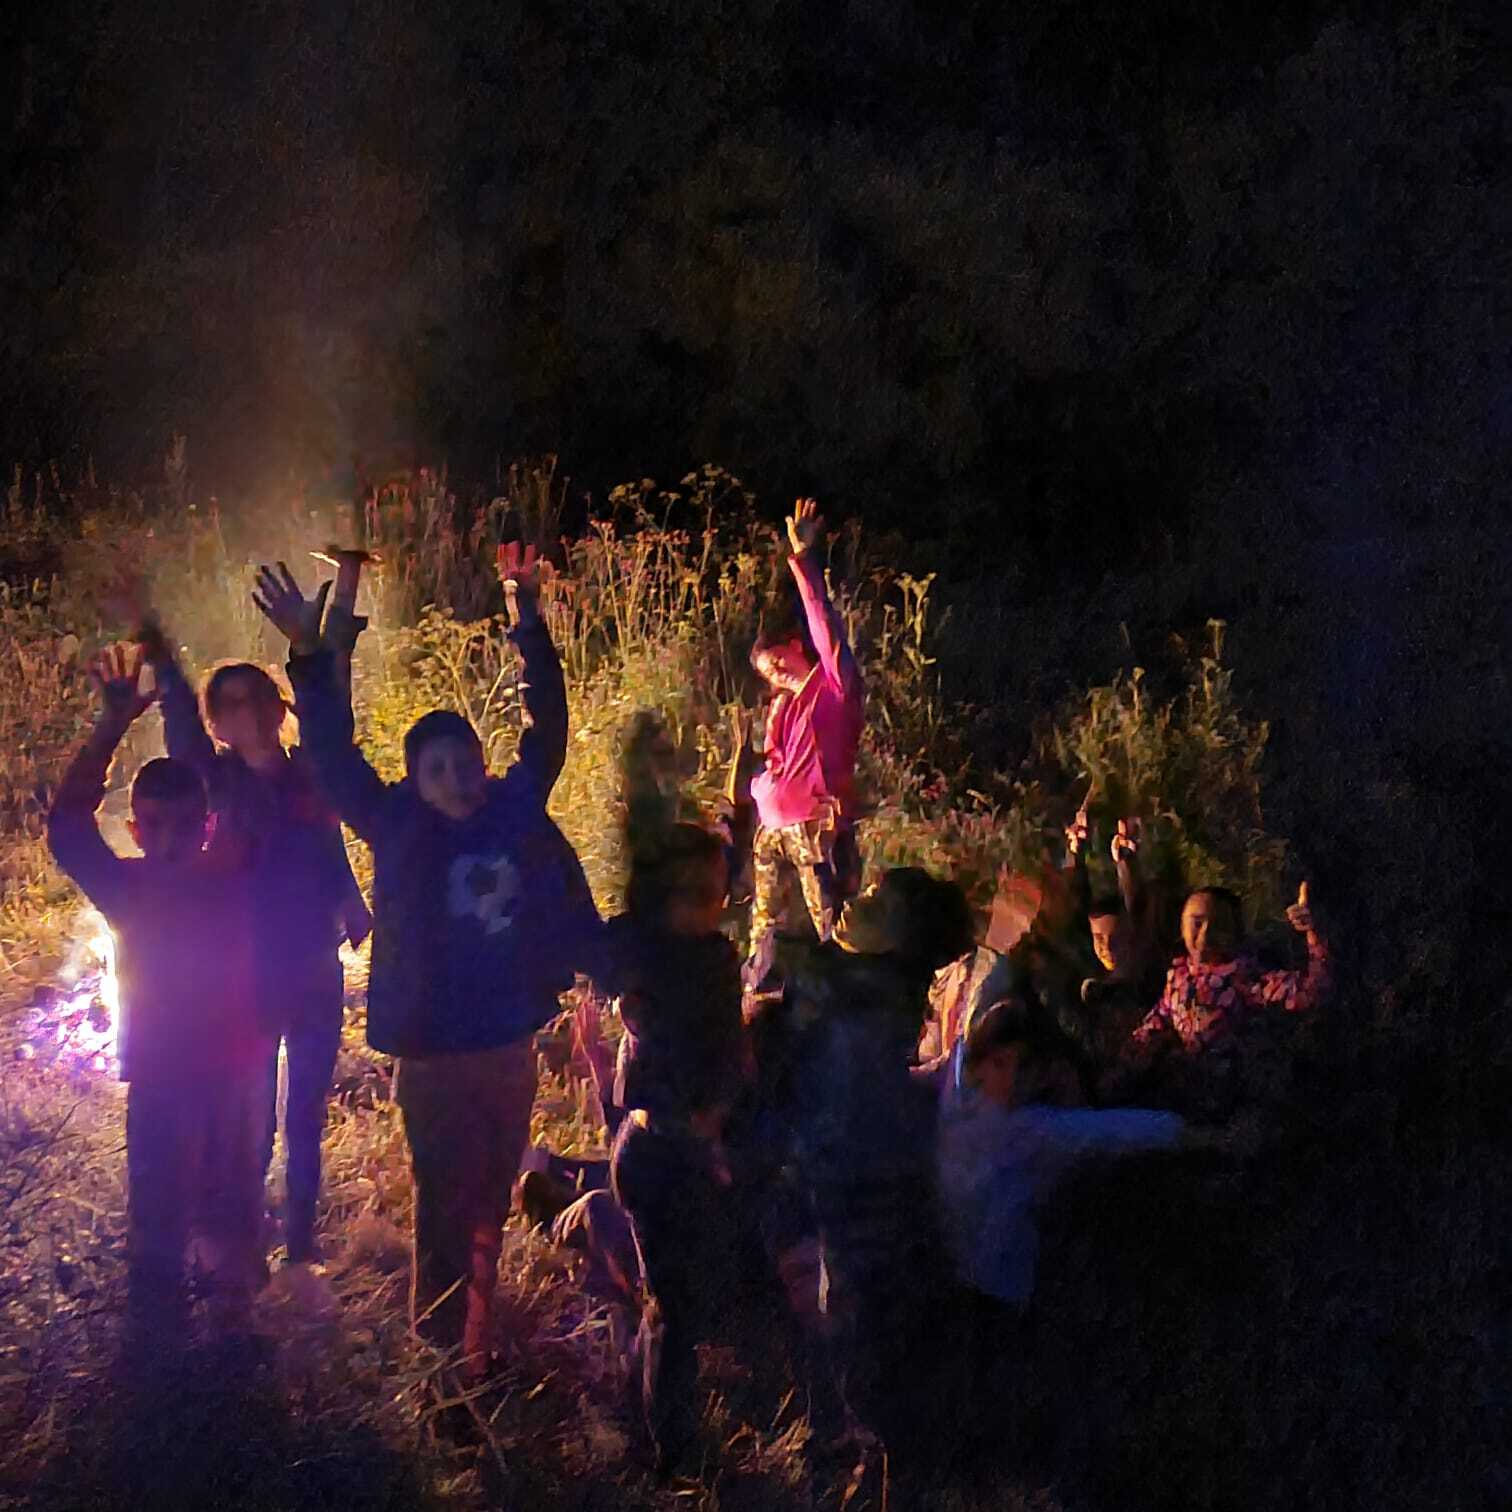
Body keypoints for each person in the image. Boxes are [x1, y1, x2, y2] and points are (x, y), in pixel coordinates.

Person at [252, 544, 600, 1388]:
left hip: (507, 1050)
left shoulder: (510, 808)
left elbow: (547, 729)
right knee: (445, 1210)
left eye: (464, 762)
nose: (454, 778)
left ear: (481, 764)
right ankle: (441, 1371)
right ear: (412, 779)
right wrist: (307, 654)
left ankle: (471, 1349)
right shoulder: (397, 825)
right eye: (435, 768)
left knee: (489, 1204)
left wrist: (526, 615)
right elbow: (331, 752)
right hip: (436, 1061)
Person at [47, 646, 271, 1350]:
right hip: (161, 1083)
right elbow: (66, 829)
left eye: (184, 824)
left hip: (233, 1080)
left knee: (233, 1221)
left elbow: (268, 804)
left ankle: (237, 1357)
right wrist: (111, 726)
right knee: (158, 1230)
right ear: (137, 831)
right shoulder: (130, 890)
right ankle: (158, 1359)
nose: (170, 839)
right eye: (156, 825)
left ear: (205, 826)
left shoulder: (231, 879)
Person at [136, 619, 370, 1268]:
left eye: (257, 696)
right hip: (251, 974)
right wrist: (161, 650)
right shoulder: (217, 782)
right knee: (254, 1118)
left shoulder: (310, 774)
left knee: (306, 1115)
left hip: (314, 965)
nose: (247, 711)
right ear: (218, 724)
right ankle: (245, 1243)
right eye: (231, 703)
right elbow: (180, 726)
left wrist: (350, 896)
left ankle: (300, 1246)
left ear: (279, 707)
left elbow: (326, 837)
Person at [749, 866, 977, 1462]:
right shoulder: (860, 983)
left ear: (901, 935)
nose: (857, 900)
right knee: (841, 1306)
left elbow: (838, 1101)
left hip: (839, 1171)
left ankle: (856, 1440)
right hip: (837, 1165)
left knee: (841, 1308)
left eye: (876, 898)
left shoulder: (859, 1001)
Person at [601, 819, 749, 1472]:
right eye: (706, 891)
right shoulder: (656, 957)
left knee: (674, 1298)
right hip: (660, 1151)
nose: (718, 902)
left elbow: (722, 1051)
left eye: (719, 889)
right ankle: (674, 1453)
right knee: (674, 1307)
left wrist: (716, 1116)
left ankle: (648, 1417)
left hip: (671, 1147)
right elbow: (699, 1054)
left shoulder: (704, 956)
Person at [936, 995, 1186, 1313]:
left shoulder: (963, 1098)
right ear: (981, 1062)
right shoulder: (1024, 1128)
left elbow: (1118, 1129)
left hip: (963, 1275)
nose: (1014, 1079)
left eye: (1026, 1069)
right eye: (1000, 1064)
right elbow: (1125, 1130)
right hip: (998, 1291)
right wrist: (1212, 1136)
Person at [738, 498, 865, 960]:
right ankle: (755, 990)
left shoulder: (832, 687)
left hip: (815, 826)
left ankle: (848, 989)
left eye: (775, 661)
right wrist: (760, 787)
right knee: (763, 929)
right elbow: (773, 762)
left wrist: (803, 559)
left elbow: (823, 621)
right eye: (766, 673)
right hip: (773, 828)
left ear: (795, 646)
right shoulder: (783, 707)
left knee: (834, 925)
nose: (774, 674)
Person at [1118, 882, 1331, 1117]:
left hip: (1233, 1109)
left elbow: (1311, 992)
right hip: (1183, 1101)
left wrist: (1313, 933)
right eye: (1197, 923)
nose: (1206, 935)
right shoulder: (1179, 977)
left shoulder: (1244, 978)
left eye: (1219, 926)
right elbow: (1158, 1020)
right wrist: (1125, 1058)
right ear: (1182, 926)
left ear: (1235, 933)